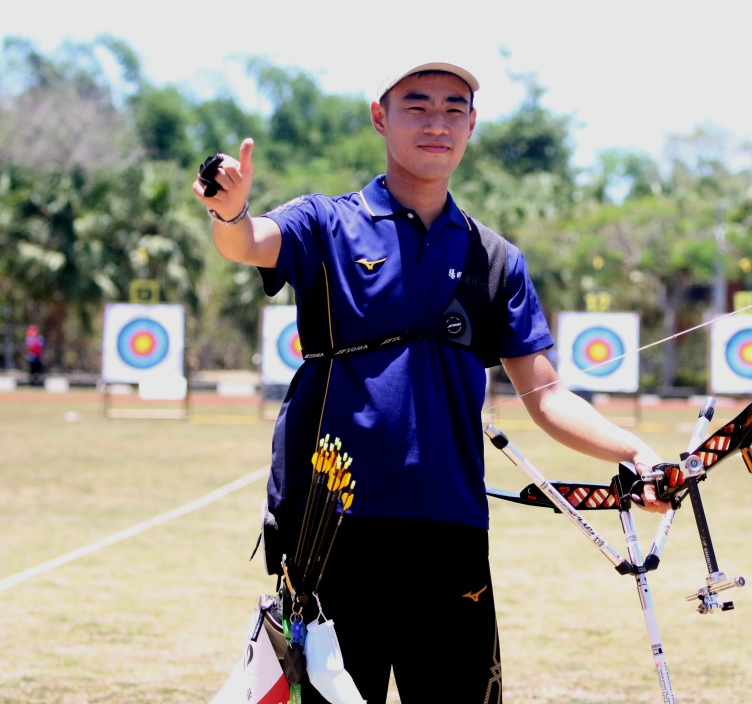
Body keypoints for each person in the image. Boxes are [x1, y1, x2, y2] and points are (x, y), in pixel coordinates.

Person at [192, 61, 670, 704]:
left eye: (454, 108)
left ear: (472, 124)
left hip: (450, 528)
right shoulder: (327, 223)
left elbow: (547, 396)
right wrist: (229, 212)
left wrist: (636, 454)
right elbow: (250, 242)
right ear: (380, 116)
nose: (436, 123)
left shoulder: (494, 258)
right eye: (416, 105)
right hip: (333, 524)